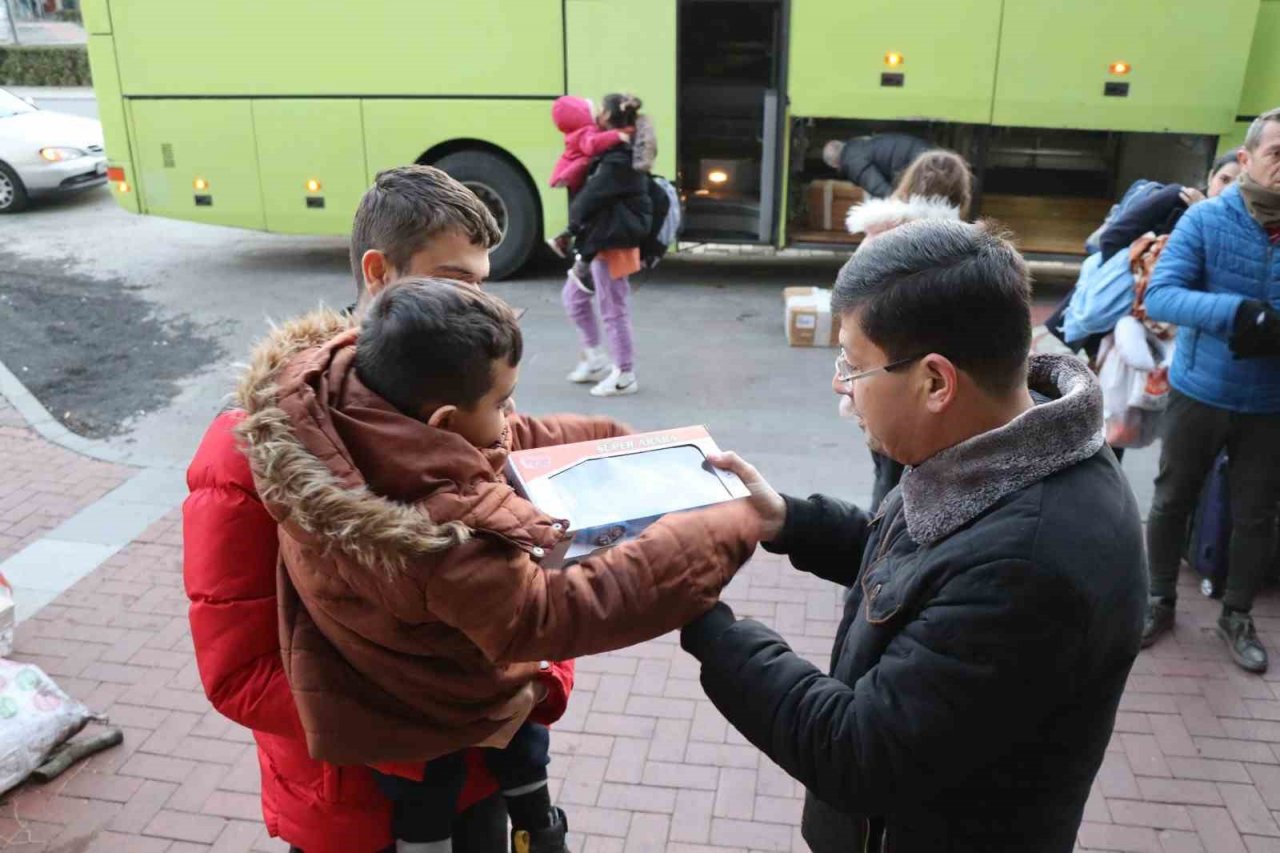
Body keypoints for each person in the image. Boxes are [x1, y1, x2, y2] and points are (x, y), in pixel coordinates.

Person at [234, 278, 758, 853]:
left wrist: (622, 448)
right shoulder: (436, 541)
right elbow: (554, 612)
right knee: (435, 808)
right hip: (424, 705)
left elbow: (509, 440)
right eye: (502, 400)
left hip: (398, 672)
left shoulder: (344, 404)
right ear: (443, 424)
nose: (512, 412)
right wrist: (725, 524)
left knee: (480, 781)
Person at [681, 219, 1147, 853]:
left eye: (853, 365)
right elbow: (924, 568)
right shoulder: (1003, 445)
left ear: (935, 382)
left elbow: (858, 752)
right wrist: (787, 519)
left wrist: (707, 624)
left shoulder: (1027, 566)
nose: (840, 385)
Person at [183, 166, 576, 853]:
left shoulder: (470, 403)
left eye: (482, 284)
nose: (475, 304)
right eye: (453, 280)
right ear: (378, 273)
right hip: (353, 812)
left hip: (478, 782)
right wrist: (442, 715)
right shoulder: (251, 446)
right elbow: (239, 675)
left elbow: (524, 583)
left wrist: (539, 680)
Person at [1138, 107, 1280, 673]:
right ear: (1246, 158)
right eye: (1277, 154)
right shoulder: (1206, 220)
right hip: (1200, 391)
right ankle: (1158, 599)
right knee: (1172, 499)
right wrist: (1238, 313)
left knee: (1256, 515)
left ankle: (1236, 614)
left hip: (1269, 403)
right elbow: (1162, 296)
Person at [844, 149, 973, 511]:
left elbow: (848, 307)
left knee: (886, 476)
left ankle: (878, 536)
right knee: (915, 484)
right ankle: (889, 540)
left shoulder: (876, 237)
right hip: (930, 383)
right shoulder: (958, 248)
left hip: (873, 377)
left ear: (908, 183)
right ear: (960, 194)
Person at [561, 93, 655, 397]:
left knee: (613, 309)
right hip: (597, 240)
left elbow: (589, 199)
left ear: (609, 119)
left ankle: (624, 374)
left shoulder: (619, 159)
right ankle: (595, 358)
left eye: (601, 111)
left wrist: (571, 227)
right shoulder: (611, 150)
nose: (595, 115)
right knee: (573, 297)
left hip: (614, 244)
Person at [544, 95, 632, 288]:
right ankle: (576, 257)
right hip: (581, 184)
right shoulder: (586, 133)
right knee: (588, 222)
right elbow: (591, 145)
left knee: (586, 221)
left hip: (578, 182)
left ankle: (567, 241)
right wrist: (617, 135)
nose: (597, 113)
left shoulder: (580, 131)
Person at [1097, 150, 1243, 263]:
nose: (1227, 190)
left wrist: (1204, 214)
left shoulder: (1244, 229)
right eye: (1224, 180)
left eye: (1238, 186)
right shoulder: (1176, 198)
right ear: (1211, 177)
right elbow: (1111, 239)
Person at [821, 132, 933, 200]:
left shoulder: (853, 163)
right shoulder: (858, 144)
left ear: (835, 165)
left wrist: (896, 201)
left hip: (918, 163)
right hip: (920, 151)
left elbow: (878, 186)